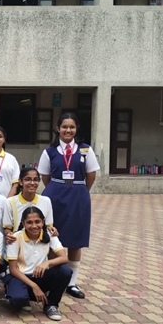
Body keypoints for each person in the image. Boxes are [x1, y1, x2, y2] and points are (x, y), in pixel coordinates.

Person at [38, 112, 100, 299]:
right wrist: (57, 189)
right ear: (58, 129)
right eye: (64, 127)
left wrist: (79, 190)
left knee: (75, 239)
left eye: (71, 127)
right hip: (54, 197)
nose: (68, 130)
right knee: (51, 238)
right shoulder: (50, 151)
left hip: (78, 197)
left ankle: (72, 282)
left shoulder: (85, 150)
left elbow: (91, 175)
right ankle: (54, 278)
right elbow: (45, 176)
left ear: (76, 128)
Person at [3, 207, 72, 321]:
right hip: (20, 277)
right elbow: (13, 269)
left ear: (43, 222)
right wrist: (34, 286)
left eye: (37, 222)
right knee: (17, 300)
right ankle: (18, 293)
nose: (34, 226)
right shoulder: (15, 238)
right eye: (29, 222)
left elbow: (64, 258)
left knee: (65, 270)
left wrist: (47, 263)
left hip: (39, 275)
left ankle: (51, 304)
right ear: (23, 223)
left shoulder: (49, 234)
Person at [3, 167, 57, 237]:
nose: (32, 183)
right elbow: (7, 228)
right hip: (18, 241)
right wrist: (9, 235)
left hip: (41, 241)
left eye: (35, 180)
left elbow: (49, 226)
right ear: (20, 182)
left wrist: (53, 231)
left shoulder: (46, 201)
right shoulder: (10, 202)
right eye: (28, 179)